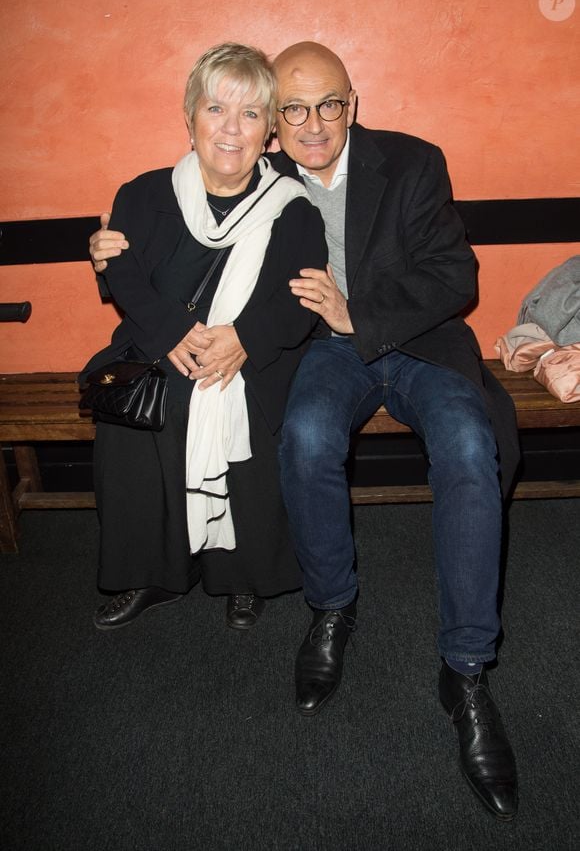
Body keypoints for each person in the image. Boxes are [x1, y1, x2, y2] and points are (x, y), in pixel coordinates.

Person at [89, 42, 519, 820]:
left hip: (417, 345)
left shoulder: (413, 163)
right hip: (328, 355)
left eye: (329, 105)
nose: (312, 123)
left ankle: (467, 668)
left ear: (353, 104)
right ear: (274, 125)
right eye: (292, 108)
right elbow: (191, 210)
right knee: (306, 438)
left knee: (467, 447)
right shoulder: (264, 177)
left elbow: (457, 276)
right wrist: (109, 250)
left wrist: (364, 315)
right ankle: (331, 607)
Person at [81, 42, 327, 634]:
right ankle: (152, 572)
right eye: (216, 109)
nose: (231, 129)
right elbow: (124, 273)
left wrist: (241, 340)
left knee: (247, 407)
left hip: (249, 358)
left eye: (249, 114)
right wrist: (170, 334)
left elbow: (301, 302)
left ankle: (241, 576)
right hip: (157, 347)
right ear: (189, 119)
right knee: (140, 415)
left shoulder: (294, 209)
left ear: (269, 130)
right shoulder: (142, 194)